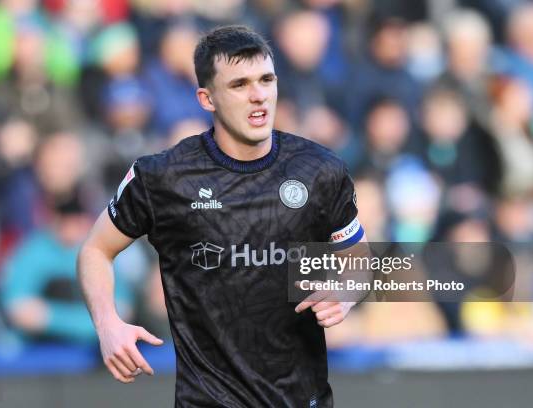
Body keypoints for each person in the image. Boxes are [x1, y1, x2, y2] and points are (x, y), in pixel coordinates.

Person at [78, 25, 367, 407]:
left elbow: (357, 255)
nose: (258, 95)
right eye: (239, 84)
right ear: (206, 98)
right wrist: (107, 325)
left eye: (266, 80)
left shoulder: (320, 169)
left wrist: (346, 292)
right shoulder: (163, 176)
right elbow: (96, 250)